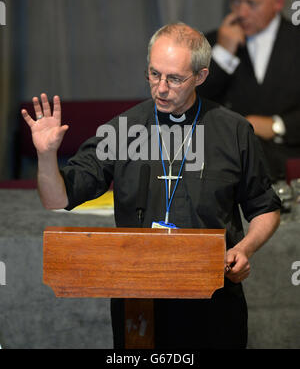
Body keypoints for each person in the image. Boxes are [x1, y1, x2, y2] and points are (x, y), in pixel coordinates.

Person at [22, 22, 281, 349]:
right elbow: (56, 198)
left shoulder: (234, 131)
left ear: (200, 76)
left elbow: (265, 208)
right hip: (139, 302)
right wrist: (46, 156)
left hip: (213, 299)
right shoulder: (122, 129)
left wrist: (244, 249)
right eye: (154, 74)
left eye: (174, 78)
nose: (160, 88)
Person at [199, 0, 300, 182]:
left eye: (251, 3)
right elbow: (188, 103)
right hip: (227, 171)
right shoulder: (211, 43)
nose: (241, 12)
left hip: (290, 170)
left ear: (278, 1)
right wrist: (223, 54)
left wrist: (276, 125)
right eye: (235, 2)